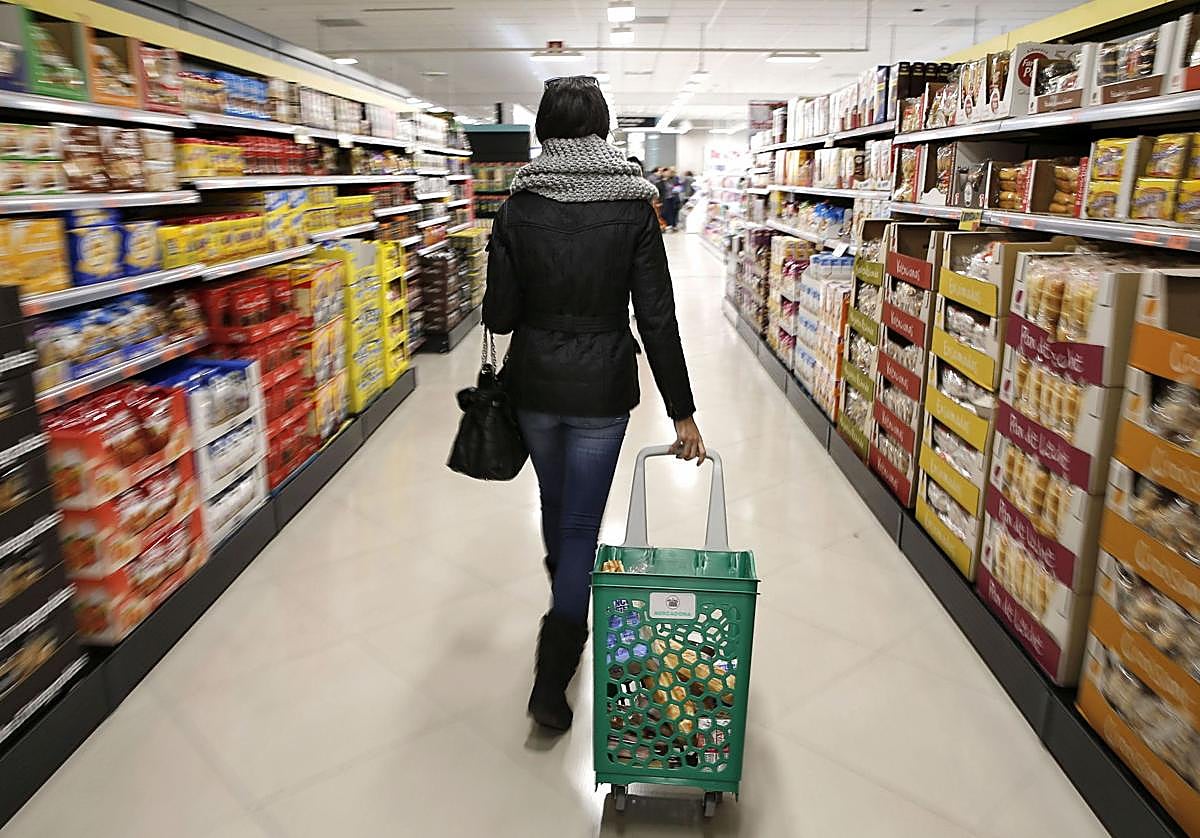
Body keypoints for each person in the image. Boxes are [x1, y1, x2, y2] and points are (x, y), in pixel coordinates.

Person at [482, 75, 705, 733]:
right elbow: (657, 318)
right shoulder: (635, 202)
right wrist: (681, 410)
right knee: (580, 523)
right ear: (604, 130)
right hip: (603, 385)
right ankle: (554, 665)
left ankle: (563, 605)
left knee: (559, 509)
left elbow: (498, 314)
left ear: (542, 131)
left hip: (535, 383)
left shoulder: (517, 204)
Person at [661, 167, 683, 231]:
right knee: (666, 212)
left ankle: (673, 225)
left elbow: (680, 188)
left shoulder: (675, 179)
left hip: (674, 198)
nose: (667, 173)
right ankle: (669, 225)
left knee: (674, 212)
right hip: (665, 199)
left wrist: (675, 189)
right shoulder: (661, 181)